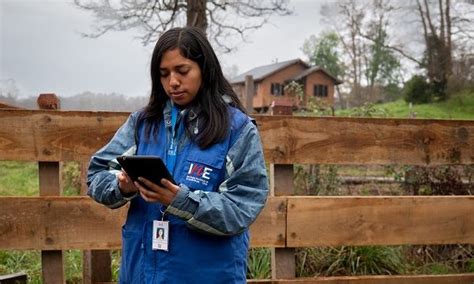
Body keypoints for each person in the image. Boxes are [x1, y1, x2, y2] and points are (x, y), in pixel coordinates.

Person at [87, 26, 268, 283]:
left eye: (182, 71)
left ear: (204, 69)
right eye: (164, 74)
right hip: (141, 274)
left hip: (209, 275)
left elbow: (243, 205)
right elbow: (96, 174)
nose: (173, 82)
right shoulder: (142, 124)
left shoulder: (237, 130)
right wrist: (122, 186)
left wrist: (180, 200)